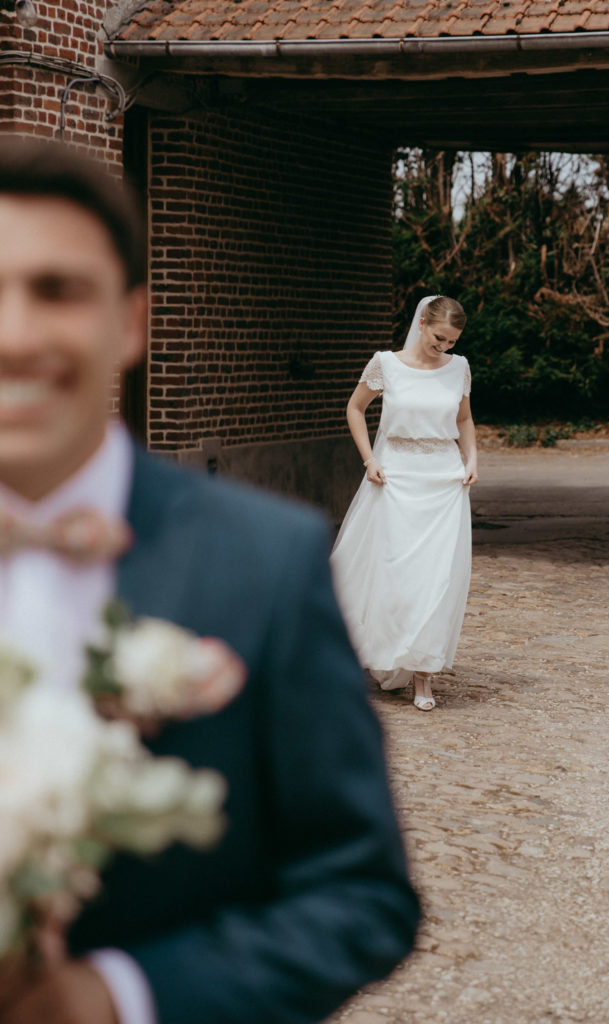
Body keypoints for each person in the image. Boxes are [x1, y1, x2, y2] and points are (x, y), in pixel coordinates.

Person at [0, 139, 419, 1024]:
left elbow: (360, 895)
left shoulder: (263, 563)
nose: (15, 334)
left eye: (57, 290)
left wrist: (118, 999)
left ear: (131, 322)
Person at [330, 295, 478, 711]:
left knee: (434, 580)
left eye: (451, 341)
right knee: (394, 574)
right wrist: (369, 459)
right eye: (439, 338)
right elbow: (355, 409)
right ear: (421, 323)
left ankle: (423, 677)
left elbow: (464, 419)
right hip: (395, 476)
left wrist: (472, 459)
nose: (444, 347)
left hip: (443, 482)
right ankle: (378, 653)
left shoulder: (460, 368)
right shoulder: (386, 365)